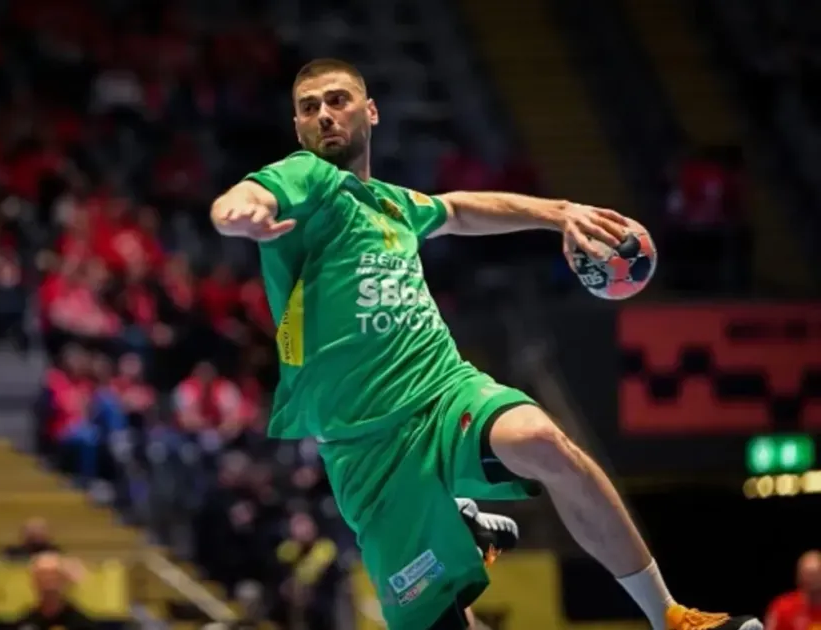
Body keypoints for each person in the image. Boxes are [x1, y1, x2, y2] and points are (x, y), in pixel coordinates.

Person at [208, 58, 762, 630]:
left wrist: (559, 212)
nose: (324, 114)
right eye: (309, 107)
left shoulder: (394, 205)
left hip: (441, 393)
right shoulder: (304, 178)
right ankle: (460, 526)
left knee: (543, 440)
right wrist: (238, 215)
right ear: (298, 128)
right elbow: (247, 197)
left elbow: (458, 210)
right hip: (365, 449)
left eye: (337, 100)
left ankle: (670, 615)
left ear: (370, 111)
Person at [765, 550, 821, 630]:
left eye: (815, 574)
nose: (811, 578)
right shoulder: (782, 607)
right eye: (807, 574)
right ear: (798, 575)